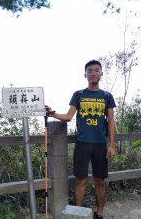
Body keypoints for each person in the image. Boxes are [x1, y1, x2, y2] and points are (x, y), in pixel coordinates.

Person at [45, 59, 116, 219]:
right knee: (80, 180)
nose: (93, 73)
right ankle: (78, 214)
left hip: (100, 145)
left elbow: (111, 121)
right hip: (82, 144)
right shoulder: (79, 95)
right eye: (90, 71)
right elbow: (69, 116)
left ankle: (100, 213)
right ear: (85, 75)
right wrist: (52, 113)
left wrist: (111, 145)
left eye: (96, 70)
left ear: (101, 74)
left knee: (100, 181)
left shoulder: (107, 96)